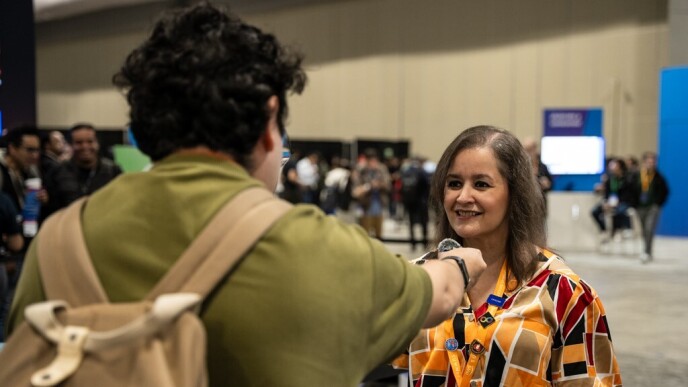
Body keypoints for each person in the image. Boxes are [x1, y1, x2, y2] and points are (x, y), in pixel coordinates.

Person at [6, 3, 486, 386]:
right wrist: (461, 260)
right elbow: (441, 295)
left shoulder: (58, 241)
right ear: (267, 120)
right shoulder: (314, 247)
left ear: (141, 128)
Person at [393, 125, 621, 386]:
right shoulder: (418, 278)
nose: (463, 196)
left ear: (515, 195)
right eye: (454, 183)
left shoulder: (564, 293)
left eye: (481, 184)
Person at [47, 123, 122, 211]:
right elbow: (51, 210)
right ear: (71, 145)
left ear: (97, 143)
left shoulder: (113, 171)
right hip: (69, 223)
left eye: (90, 141)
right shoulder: (57, 172)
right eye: (79, 142)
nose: (85, 146)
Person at [590, 158, 638, 240]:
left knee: (619, 211)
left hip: (624, 202)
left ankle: (621, 229)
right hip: (610, 202)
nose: (611, 168)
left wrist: (617, 203)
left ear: (619, 167)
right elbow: (607, 194)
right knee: (595, 211)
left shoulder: (628, 179)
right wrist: (605, 202)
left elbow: (629, 195)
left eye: (614, 165)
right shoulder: (610, 179)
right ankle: (603, 230)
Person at [635, 151, 669, 263]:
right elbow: (631, 190)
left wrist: (657, 204)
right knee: (644, 230)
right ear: (644, 162)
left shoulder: (659, 177)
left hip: (653, 207)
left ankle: (647, 252)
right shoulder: (637, 176)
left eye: (653, 161)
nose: (651, 163)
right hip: (640, 207)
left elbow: (665, 191)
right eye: (648, 161)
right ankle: (646, 249)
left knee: (649, 228)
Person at [351, 148, 391, 239]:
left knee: (378, 235)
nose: (373, 163)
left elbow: (388, 186)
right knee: (365, 235)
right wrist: (369, 186)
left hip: (379, 206)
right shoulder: (360, 170)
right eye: (370, 161)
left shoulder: (382, 169)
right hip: (365, 207)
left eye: (375, 160)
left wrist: (379, 184)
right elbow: (355, 191)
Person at [522, 137, 553, 213]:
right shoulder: (521, 167)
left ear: (535, 149)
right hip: (526, 206)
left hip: (540, 205)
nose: (528, 153)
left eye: (529, 149)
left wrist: (547, 183)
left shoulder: (543, 167)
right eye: (526, 150)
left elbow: (551, 184)